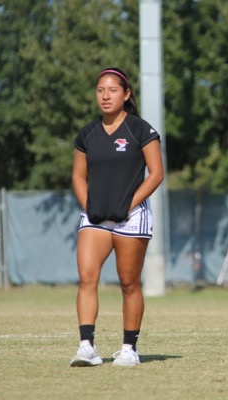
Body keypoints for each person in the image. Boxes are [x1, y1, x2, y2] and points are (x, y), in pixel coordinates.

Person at [70, 67, 164, 367]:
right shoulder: (87, 133)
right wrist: (90, 206)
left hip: (131, 218)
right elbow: (78, 176)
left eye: (112, 90)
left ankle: (129, 349)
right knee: (87, 277)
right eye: (100, 90)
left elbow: (157, 174)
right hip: (95, 218)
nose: (105, 96)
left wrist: (128, 205)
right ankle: (86, 347)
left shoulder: (141, 130)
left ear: (126, 94)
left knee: (129, 283)